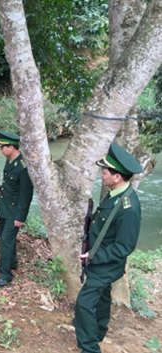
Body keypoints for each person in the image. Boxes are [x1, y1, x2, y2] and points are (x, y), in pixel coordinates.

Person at [74, 142, 142, 353]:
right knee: (102, 299)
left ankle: (90, 347)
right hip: (99, 261)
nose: (101, 174)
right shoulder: (114, 194)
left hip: (106, 265)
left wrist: (93, 255)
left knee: (84, 304)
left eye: (105, 171)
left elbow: (124, 246)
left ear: (117, 176)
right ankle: (98, 331)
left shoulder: (128, 207)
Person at [0, 131, 34, 287]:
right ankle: (11, 263)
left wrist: (20, 217)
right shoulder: (10, 161)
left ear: (11, 147)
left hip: (15, 211)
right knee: (5, 238)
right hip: (5, 207)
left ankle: (5, 274)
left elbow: (26, 194)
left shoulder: (23, 166)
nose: (1, 150)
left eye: (3, 147)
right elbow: (10, 185)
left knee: (6, 241)